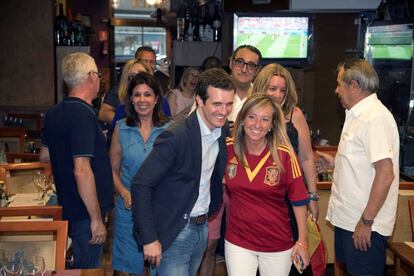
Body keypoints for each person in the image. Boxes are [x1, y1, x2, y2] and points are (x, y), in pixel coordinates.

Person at [131, 68, 235, 276]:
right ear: (199, 100)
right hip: (175, 230)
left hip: (201, 226)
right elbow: (140, 184)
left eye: (229, 104)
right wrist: (150, 238)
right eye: (217, 104)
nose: (223, 111)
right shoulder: (176, 136)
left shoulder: (221, 129)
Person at [316, 58, 399, 276]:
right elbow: (364, 165)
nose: (336, 90)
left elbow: (385, 174)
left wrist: (366, 222)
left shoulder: (375, 118)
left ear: (354, 85)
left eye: (339, 84)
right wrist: (335, 163)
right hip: (349, 220)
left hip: (363, 225)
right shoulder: (356, 114)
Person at [39, 52, 114, 268]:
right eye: (98, 75)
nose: (99, 79)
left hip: (68, 205)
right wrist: (96, 219)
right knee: (88, 270)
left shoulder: (55, 111)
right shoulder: (83, 115)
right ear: (91, 76)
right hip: (85, 213)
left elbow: (45, 155)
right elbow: (81, 170)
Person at [224, 94, 310, 276]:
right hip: (238, 240)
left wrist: (302, 241)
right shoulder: (228, 148)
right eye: (252, 117)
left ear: (272, 125)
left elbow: (299, 200)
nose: (257, 125)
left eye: (265, 119)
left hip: (277, 243)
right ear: (242, 119)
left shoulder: (284, 155)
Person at [199, 44, 262, 276]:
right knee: (209, 243)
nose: (245, 68)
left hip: (248, 183)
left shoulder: (262, 99)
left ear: (257, 70)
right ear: (231, 62)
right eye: (240, 62)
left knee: (244, 243)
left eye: (251, 65)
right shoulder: (216, 91)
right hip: (215, 180)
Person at [110, 72, 171, 275]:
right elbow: (112, 169)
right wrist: (124, 192)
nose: (142, 100)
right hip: (128, 209)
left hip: (159, 210)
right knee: (129, 267)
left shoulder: (170, 130)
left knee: (159, 266)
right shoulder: (121, 128)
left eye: (147, 94)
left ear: (156, 99)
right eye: (137, 95)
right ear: (130, 99)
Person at [250, 63, 319, 220]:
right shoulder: (249, 115)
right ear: (261, 88)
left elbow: (307, 158)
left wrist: (313, 196)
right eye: (272, 89)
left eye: (283, 90)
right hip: (257, 194)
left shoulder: (295, 114)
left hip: (290, 194)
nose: (278, 95)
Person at [98, 59, 151, 125]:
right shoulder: (118, 91)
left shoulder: (157, 95)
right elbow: (103, 113)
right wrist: (126, 124)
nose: (137, 78)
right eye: (132, 75)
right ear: (127, 79)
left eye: (141, 73)